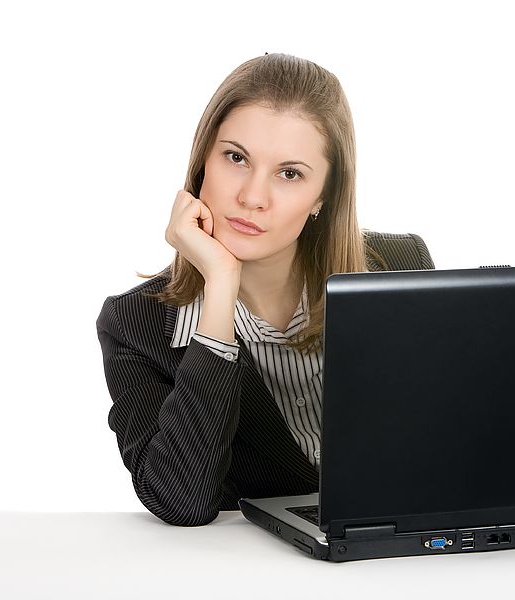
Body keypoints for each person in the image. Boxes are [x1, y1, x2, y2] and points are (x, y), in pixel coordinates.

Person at [96, 53, 434, 527]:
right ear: (202, 166)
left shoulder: (400, 269)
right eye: (236, 158)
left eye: (289, 173)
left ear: (323, 197)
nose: (253, 197)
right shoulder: (137, 325)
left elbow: (450, 448)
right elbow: (180, 503)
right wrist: (219, 286)